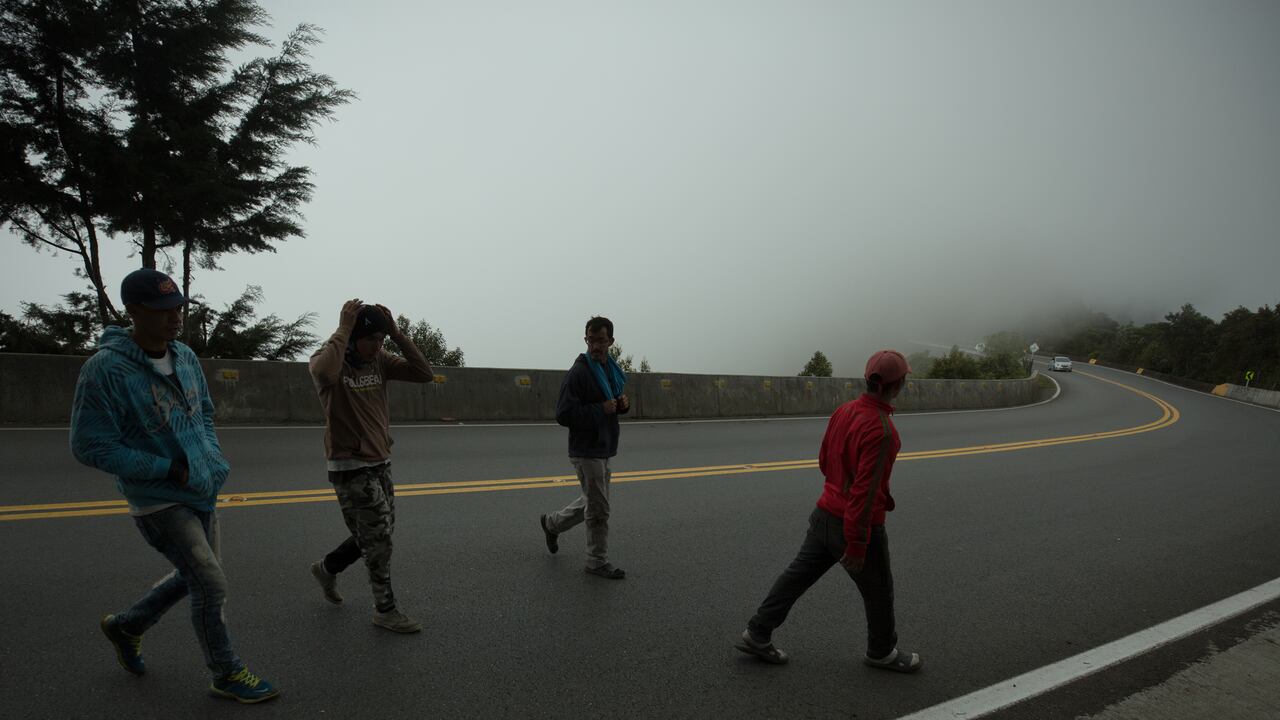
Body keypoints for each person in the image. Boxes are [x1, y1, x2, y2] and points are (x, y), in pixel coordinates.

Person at [71, 268, 279, 703]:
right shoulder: (104, 370)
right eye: (162, 309)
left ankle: (126, 625)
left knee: (198, 578)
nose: (175, 317)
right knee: (211, 583)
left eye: (178, 307)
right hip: (157, 499)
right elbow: (89, 445)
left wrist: (212, 459)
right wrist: (166, 468)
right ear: (133, 310)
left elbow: (203, 409)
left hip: (202, 487)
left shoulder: (184, 355)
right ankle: (226, 672)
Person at [735, 349, 922, 673]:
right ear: (898, 383)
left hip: (824, 513)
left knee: (796, 577)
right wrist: (857, 544)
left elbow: (825, 461)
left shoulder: (845, 410)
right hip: (854, 525)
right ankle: (882, 651)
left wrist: (837, 491)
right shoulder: (883, 431)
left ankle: (757, 631)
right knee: (878, 590)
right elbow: (865, 495)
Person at [307, 299, 433, 633]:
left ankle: (328, 567)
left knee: (379, 531)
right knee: (378, 538)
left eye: (381, 340)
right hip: (349, 465)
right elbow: (321, 372)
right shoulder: (331, 361)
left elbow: (424, 373)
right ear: (352, 338)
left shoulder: (380, 360)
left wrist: (396, 333)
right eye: (371, 340)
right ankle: (385, 609)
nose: (377, 347)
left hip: (380, 460)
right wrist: (345, 328)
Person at [539, 316, 631, 579]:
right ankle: (596, 561)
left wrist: (621, 406)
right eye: (591, 340)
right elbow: (564, 414)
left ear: (611, 341)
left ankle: (552, 523)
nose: (596, 346)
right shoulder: (580, 372)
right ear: (586, 340)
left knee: (593, 502)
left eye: (601, 340)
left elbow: (610, 405)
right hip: (585, 449)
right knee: (599, 508)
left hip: (604, 446)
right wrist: (600, 409)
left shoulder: (610, 370)